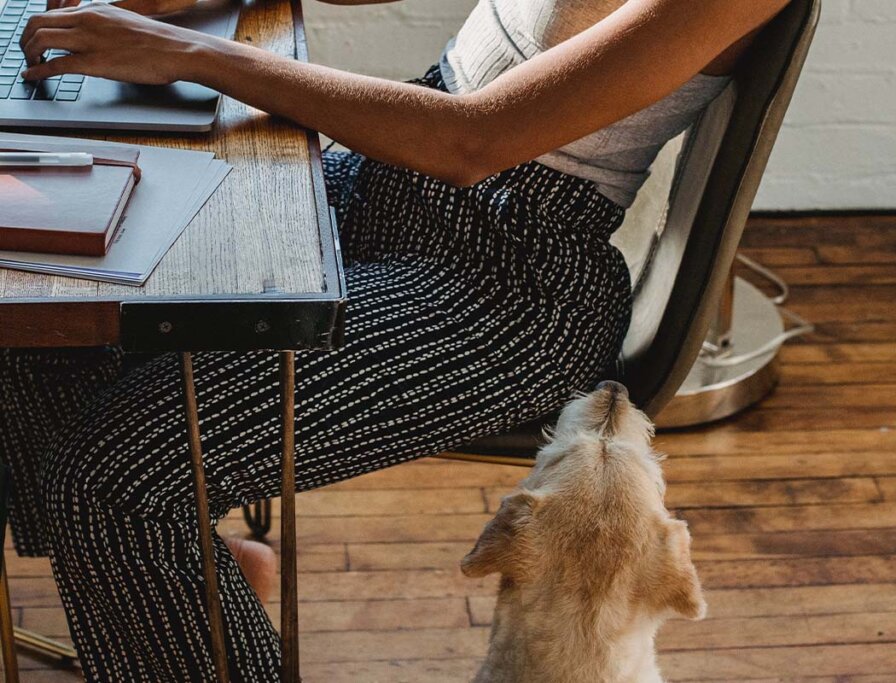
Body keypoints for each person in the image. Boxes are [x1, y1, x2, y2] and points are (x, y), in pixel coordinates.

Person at [7, 0, 789, 678]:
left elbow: (471, 141)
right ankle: (192, 585)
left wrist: (192, 53)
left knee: (110, 479)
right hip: (389, 186)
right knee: (36, 307)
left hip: (511, 281)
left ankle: (166, 580)